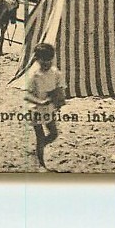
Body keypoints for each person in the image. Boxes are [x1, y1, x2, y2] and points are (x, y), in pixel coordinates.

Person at [23, 42, 67, 170]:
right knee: (40, 136)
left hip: (49, 108)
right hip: (35, 108)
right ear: (37, 60)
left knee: (53, 134)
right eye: (44, 62)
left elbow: (60, 88)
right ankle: (41, 163)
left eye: (49, 61)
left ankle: (38, 149)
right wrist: (39, 102)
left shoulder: (55, 72)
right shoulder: (33, 74)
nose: (47, 64)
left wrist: (59, 99)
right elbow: (26, 95)